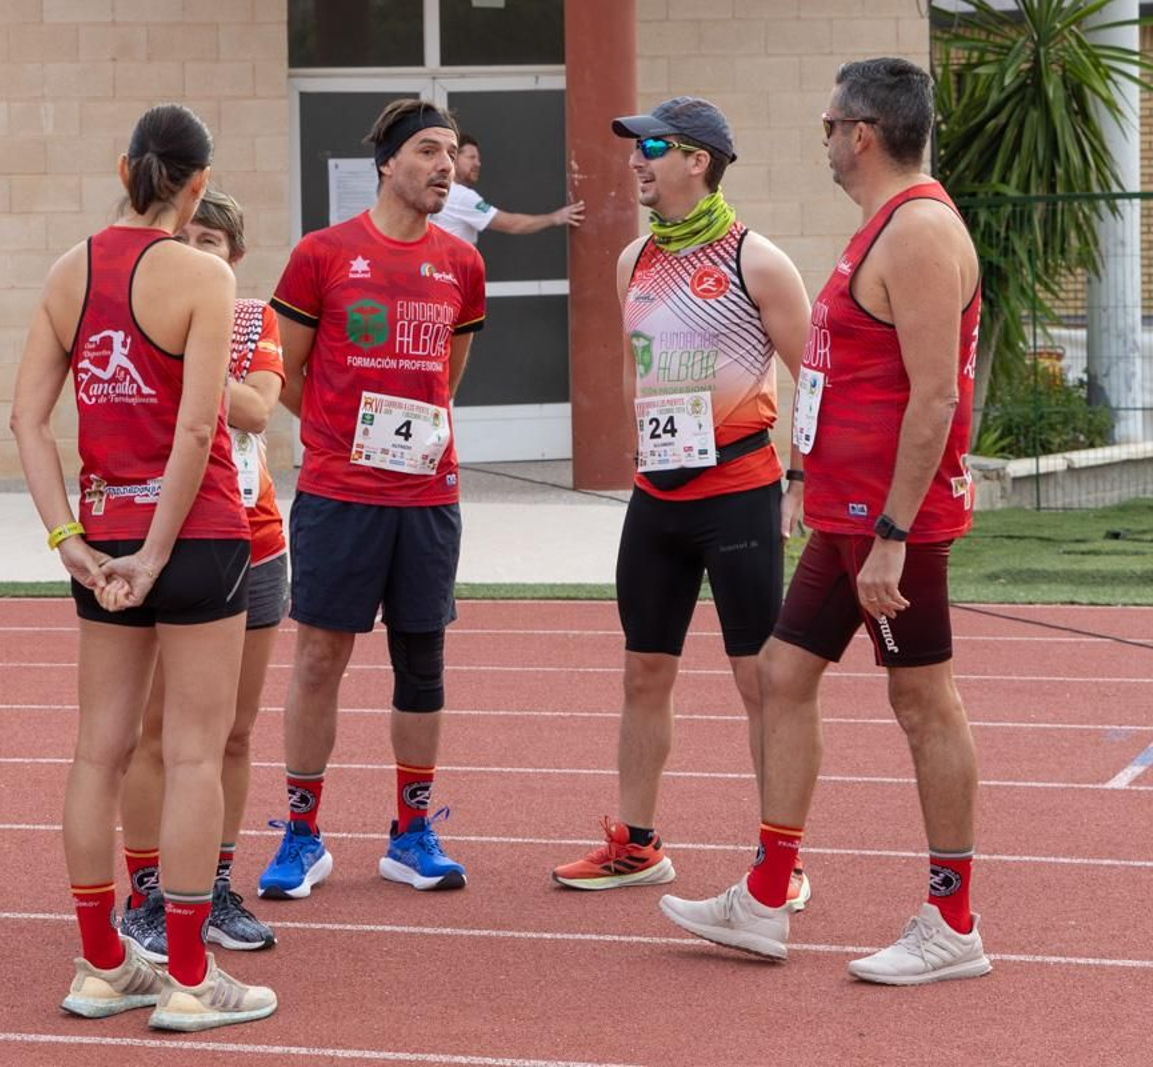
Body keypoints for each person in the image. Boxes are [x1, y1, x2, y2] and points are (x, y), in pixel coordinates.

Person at [659, 57, 991, 986]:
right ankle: (767, 894)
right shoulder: (880, 226)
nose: (825, 139)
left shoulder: (919, 229)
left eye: (829, 125)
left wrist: (893, 532)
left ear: (863, 134)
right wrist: (813, 479)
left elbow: (935, 398)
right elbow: (846, 375)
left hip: (891, 525)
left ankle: (953, 920)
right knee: (783, 672)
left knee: (922, 701)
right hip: (847, 515)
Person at [10, 104, 276, 1030]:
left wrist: (70, 542)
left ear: (124, 169)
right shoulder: (204, 274)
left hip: (104, 540)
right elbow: (200, 428)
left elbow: (27, 421)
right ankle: (193, 977)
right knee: (196, 752)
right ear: (198, 186)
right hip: (195, 540)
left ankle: (101, 964)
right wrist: (160, 552)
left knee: (100, 750)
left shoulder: (68, 271)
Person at [550, 98, 813, 906]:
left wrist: (800, 480)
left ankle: (782, 861)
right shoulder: (633, 259)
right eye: (635, 147)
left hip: (738, 497)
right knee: (643, 672)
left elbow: (816, 379)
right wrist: (643, 441)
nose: (636, 159)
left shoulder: (756, 259)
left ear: (698, 160)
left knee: (759, 680)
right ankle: (636, 844)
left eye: (653, 146)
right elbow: (639, 365)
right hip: (657, 498)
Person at [259, 98, 486, 900]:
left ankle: (412, 832)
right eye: (427, 150)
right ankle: (301, 833)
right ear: (387, 163)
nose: (444, 165)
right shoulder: (321, 254)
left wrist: (406, 435)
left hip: (428, 496)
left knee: (422, 659)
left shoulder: (463, 264)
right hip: (339, 493)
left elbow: (446, 381)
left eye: (451, 152)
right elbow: (282, 372)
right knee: (320, 657)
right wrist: (339, 430)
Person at [117, 187, 285, 959]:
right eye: (182, 239)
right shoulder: (142, 315)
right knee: (157, 731)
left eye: (209, 242)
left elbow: (256, 409)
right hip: (171, 536)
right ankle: (149, 889)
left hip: (254, 537)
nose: (194, 253)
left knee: (234, 732)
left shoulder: (252, 319)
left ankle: (212, 884)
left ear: (235, 256)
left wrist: (195, 354)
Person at [431, 133, 584, 244]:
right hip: (450, 273)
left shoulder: (440, 190)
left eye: (478, 159)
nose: (478, 163)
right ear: (453, 159)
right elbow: (512, 224)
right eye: (471, 157)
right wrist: (555, 218)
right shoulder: (461, 196)